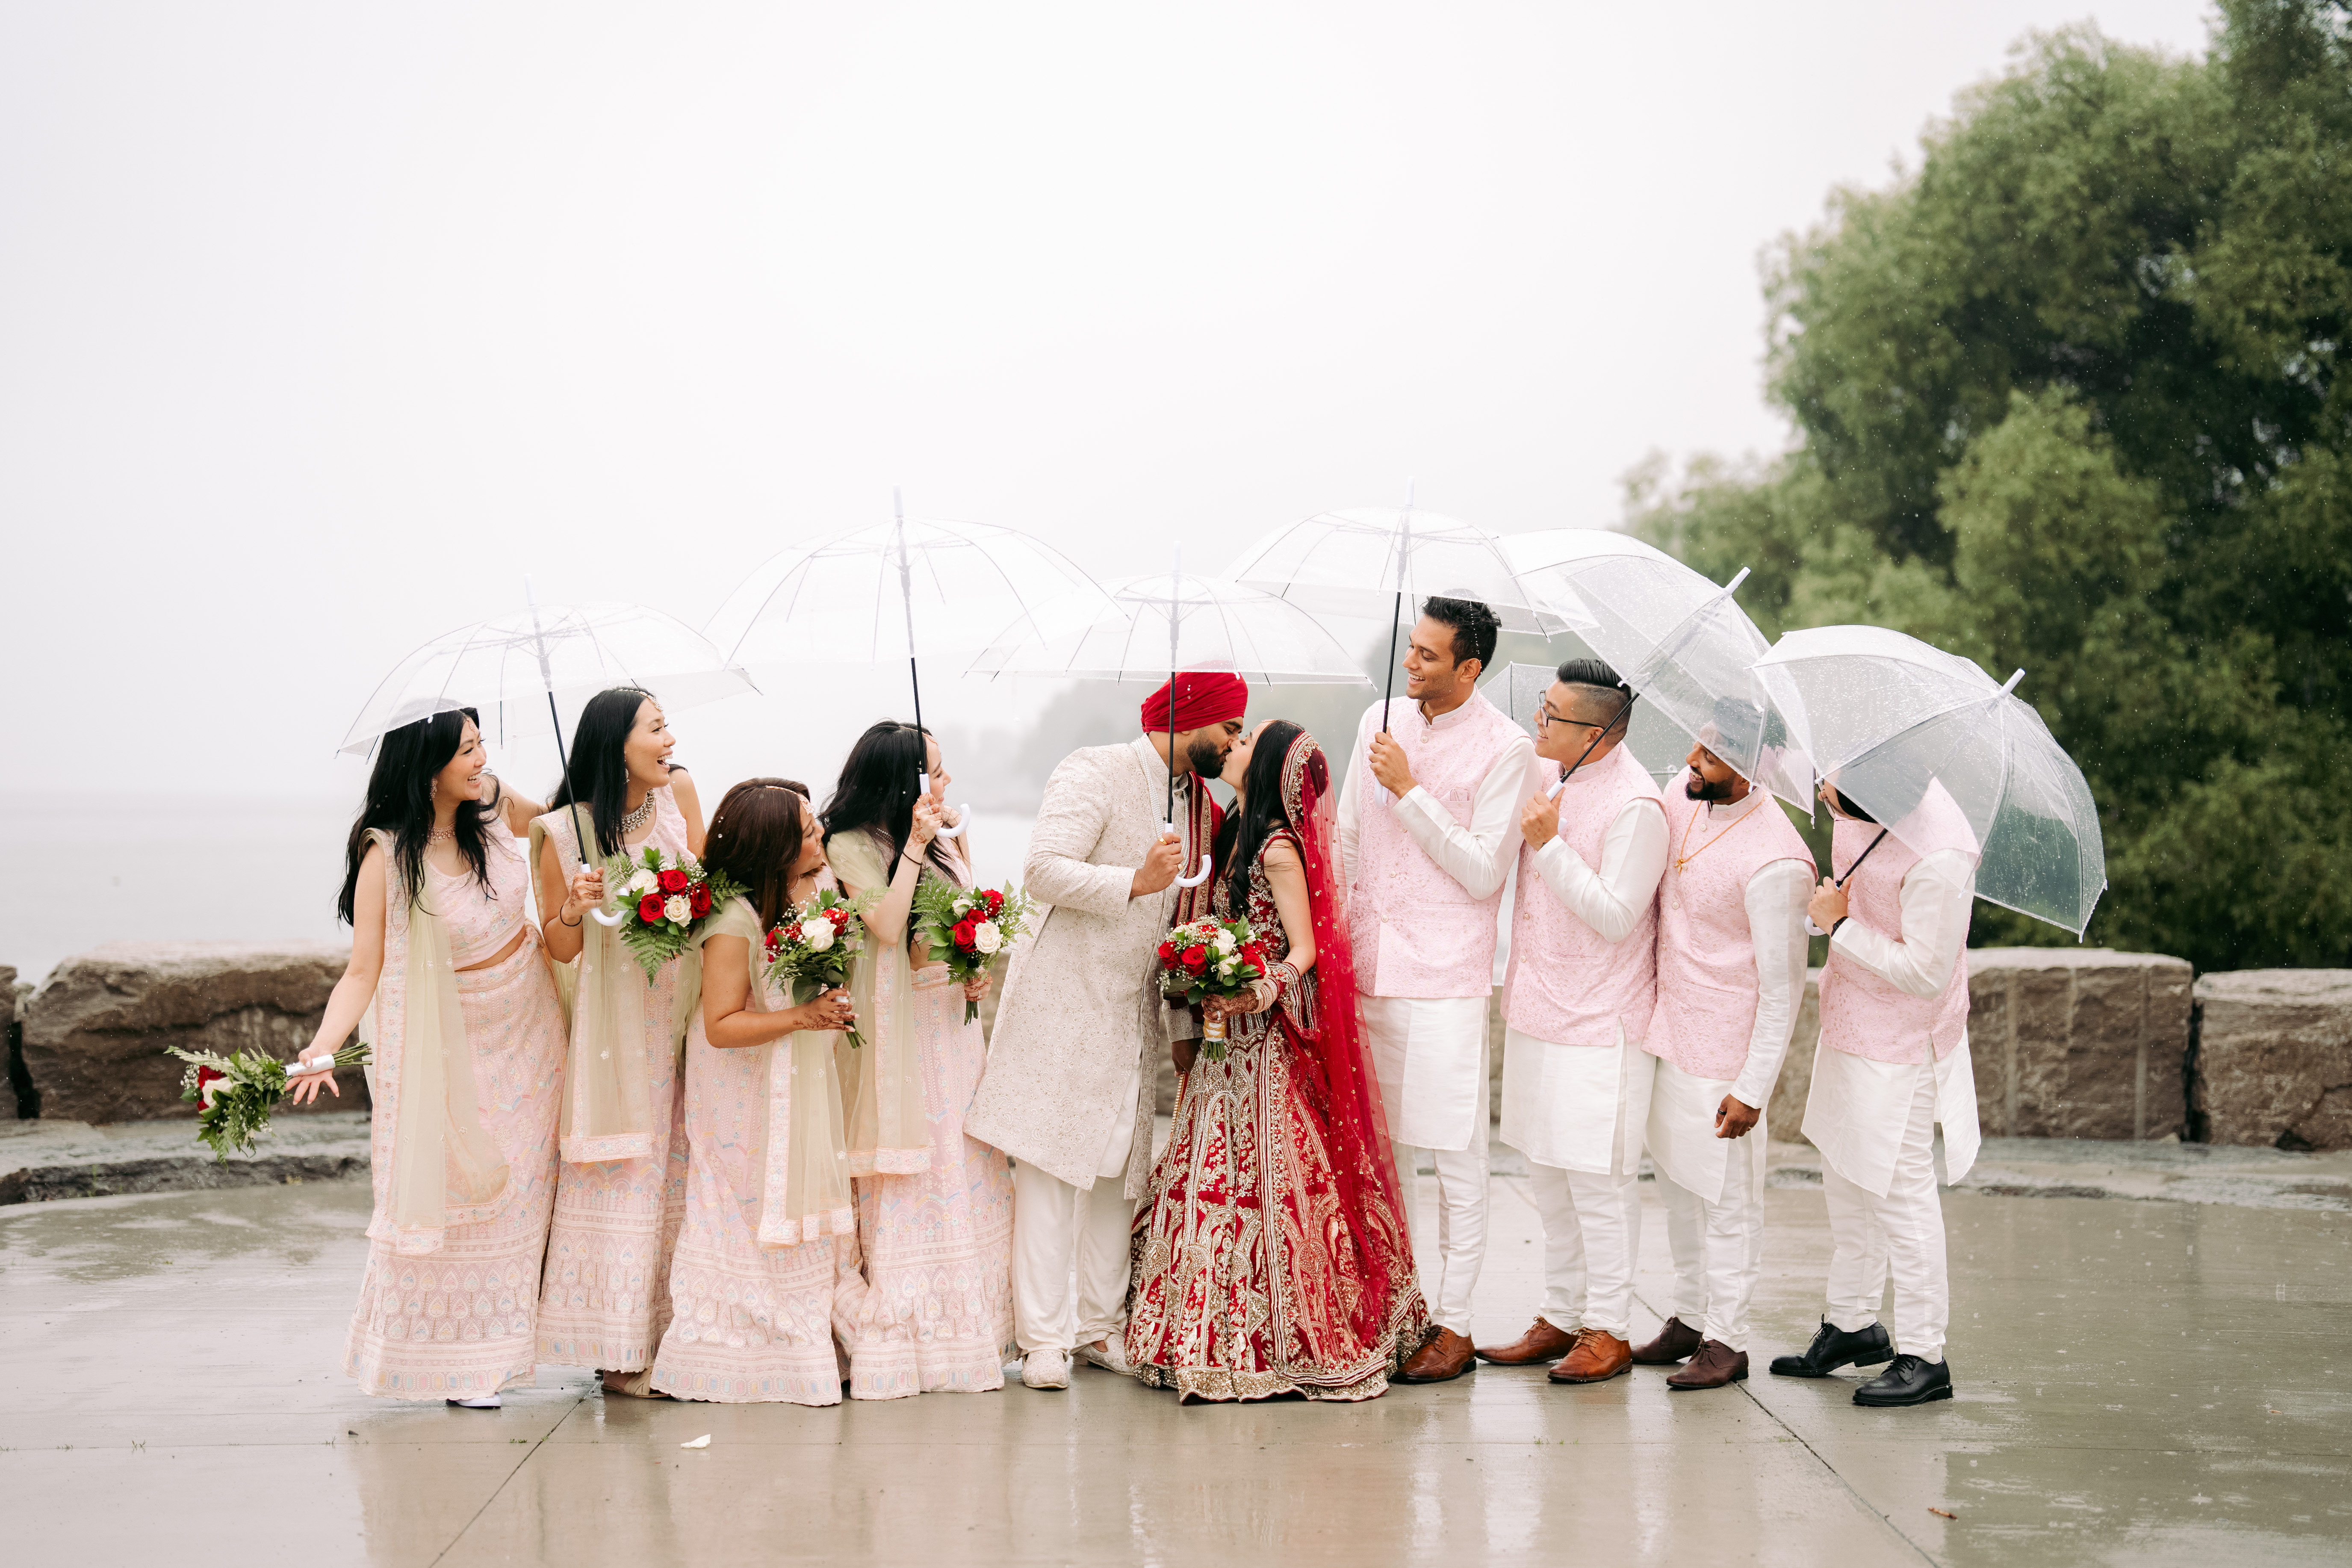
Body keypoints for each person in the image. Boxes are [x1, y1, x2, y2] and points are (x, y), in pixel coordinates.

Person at [1127, 721, 1429, 1401]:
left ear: (1264, 766)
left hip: (1265, 1040)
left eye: (1243, 742)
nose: (1229, 746)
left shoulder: (1278, 848)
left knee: (1271, 1180)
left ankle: (1280, 1334)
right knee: (1209, 1172)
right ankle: (1197, 1330)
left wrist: (1260, 989)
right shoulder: (1234, 833)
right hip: (1223, 1038)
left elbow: (1307, 947)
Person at [965, 672, 1244, 1391]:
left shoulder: (1200, 804)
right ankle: (1042, 1340)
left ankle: (1099, 1328)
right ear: (1194, 719)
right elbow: (1042, 871)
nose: (1233, 742)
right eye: (1229, 727)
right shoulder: (1094, 769)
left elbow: (1187, 927)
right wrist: (1135, 881)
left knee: (1121, 1175)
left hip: (1134, 1017)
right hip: (1064, 1003)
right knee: (1051, 1171)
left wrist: (1183, 1023)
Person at [290, 705, 567, 1407]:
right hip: (454, 1044)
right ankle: (461, 1361)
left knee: (526, 1191)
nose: (482, 761)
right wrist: (323, 1048)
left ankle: (507, 1350)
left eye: (481, 745)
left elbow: (561, 828)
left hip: (533, 1024)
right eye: (467, 750)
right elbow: (364, 969)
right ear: (428, 765)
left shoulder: (494, 805)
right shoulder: (388, 855)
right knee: (464, 1190)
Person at [1338, 596, 1536, 1383]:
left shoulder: (1508, 748)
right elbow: (1348, 835)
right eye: (1411, 648)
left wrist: (1411, 790)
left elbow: (1486, 870)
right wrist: (1332, 942)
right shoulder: (1378, 719)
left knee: (1454, 1156)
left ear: (1469, 667)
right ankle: (1395, 1306)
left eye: (1428, 655)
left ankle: (1454, 1325)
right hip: (1367, 965)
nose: (1410, 663)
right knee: (1379, 1157)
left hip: (1445, 977)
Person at [1476, 661, 1666, 1385]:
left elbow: (1617, 917)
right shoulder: (1554, 778)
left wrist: (1550, 845)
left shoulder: (1637, 806)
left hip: (1600, 1023)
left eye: (1551, 715)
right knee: (1548, 1178)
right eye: (1541, 706)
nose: (1537, 721)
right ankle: (1559, 1314)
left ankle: (1608, 1329)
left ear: (1595, 733)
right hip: (1538, 1008)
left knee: (1598, 1183)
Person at [651, 779, 867, 1404]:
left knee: (783, 1202)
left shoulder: (798, 899)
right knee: (741, 1207)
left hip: (783, 1075)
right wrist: (804, 1017)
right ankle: (727, 1350)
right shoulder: (730, 922)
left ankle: (801, 1340)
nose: (820, 836)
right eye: (807, 832)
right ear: (775, 850)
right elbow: (720, 1026)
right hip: (734, 1090)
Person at [823, 722, 1017, 1398]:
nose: (946, 781)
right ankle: (912, 1326)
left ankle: (979, 1324)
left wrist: (973, 965)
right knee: (922, 1160)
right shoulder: (847, 845)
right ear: (900, 781)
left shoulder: (949, 837)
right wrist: (911, 844)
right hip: (903, 1029)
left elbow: (961, 922)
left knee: (966, 1157)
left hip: (953, 1022)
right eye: (934, 770)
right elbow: (884, 925)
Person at [1774, 777, 1981, 1407]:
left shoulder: (1941, 856)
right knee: (1846, 1178)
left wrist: (1840, 927)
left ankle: (1926, 1355)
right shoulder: (1863, 805)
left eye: (1832, 781)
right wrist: (1827, 916)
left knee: (1900, 1193)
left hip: (1901, 1044)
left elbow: (1926, 973)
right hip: (1848, 1021)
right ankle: (1852, 1324)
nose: (1821, 788)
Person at [530, 687, 708, 1398]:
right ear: (616, 745)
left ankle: (675, 1336)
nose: (670, 741)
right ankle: (619, 1354)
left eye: (668, 727)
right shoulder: (561, 831)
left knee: (684, 1170)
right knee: (628, 1172)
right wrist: (574, 907)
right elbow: (560, 948)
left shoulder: (679, 794)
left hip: (684, 1008)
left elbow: (710, 891)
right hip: (616, 1024)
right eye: (656, 729)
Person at [1629, 730, 1813, 1391]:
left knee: (1728, 1204)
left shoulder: (1779, 861)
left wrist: (1752, 1089)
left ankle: (1728, 1340)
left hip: (1726, 1058)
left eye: (1708, 757)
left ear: (1754, 766)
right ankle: (1689, 1317)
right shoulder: (1682, 799)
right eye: (1694, 747)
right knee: (1678, 1190)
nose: (1690, 762)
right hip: (1667, 1031)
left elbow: (1783, 987)